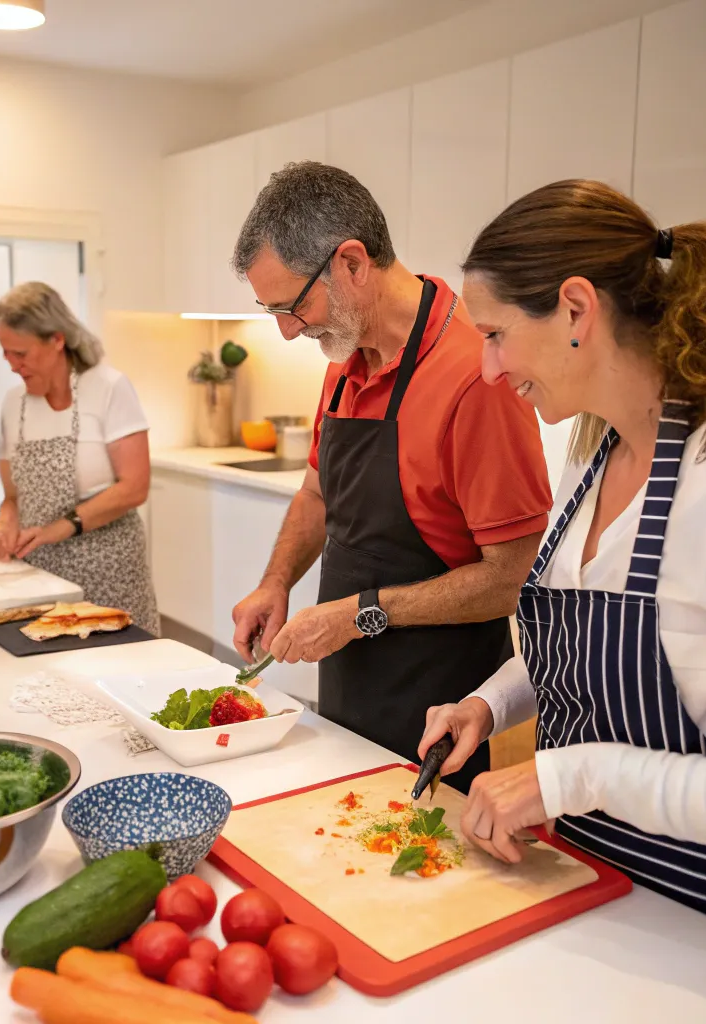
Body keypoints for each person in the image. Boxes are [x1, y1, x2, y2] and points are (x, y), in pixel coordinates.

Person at [418, 179, 706, 925]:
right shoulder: (593, 452)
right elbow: (582, 652)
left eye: (495, 334)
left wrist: (570, 778)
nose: (488, 369)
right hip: (585, 886)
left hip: (704, 931)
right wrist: (489, 703)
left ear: (575, 309)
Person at [229, 162, 552, 791]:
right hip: (348, 678)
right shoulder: (345, 357)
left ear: (352, 263)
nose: (288, 331)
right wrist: (276, 581)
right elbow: (317, 493)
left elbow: (511, 580)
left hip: (439, 705)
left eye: (293, 306)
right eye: (272, 311)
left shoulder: (477, 377)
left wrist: (360, 614)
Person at [0, 281, 159, 635]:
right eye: (6, 354)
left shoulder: (108, 387)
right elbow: (14, 496)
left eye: (21, 353)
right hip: (39, 572)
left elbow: (134, 487)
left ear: (57, 339)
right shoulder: (13, 404)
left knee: (117, 657)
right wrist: (5, 522)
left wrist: (59, 528)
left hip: (109, 568)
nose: (13, 365)